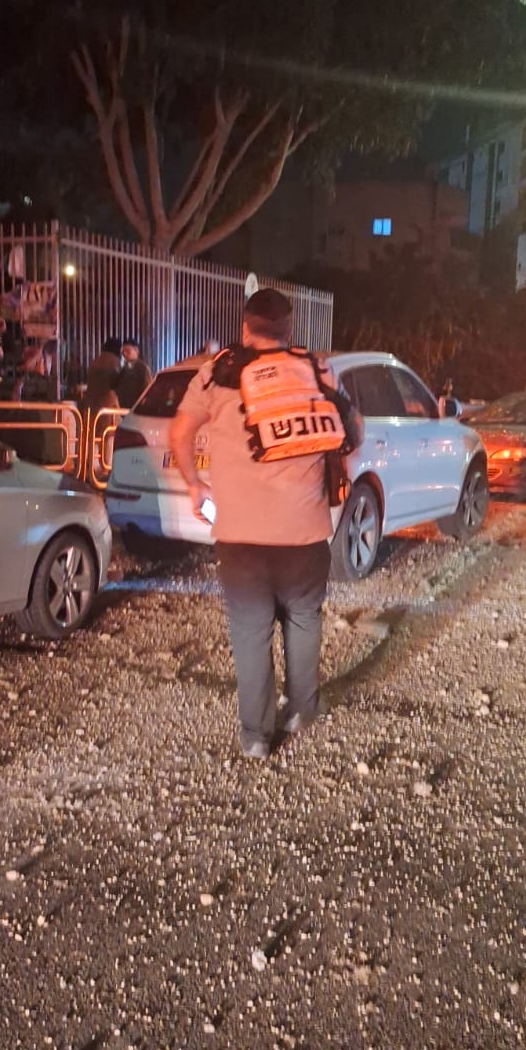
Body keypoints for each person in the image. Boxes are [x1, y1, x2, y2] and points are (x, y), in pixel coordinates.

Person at [170, 287, 362, 759]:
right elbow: (352, 430)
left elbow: (180, 432)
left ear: (245, 328)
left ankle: (256, 737)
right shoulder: (316, 369)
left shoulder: (217, 373)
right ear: (289, 330)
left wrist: (195, 485)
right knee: (304, 619)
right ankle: (301, 711)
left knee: (250, 632)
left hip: (241, 537)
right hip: (305, 531)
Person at [82, 336, 123, 410]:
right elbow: (118, 384)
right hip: (108, 407)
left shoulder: (95, 361)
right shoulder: (115, 362)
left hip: (90, 405)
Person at [115, 339, 153, 409]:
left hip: (136, 407)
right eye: (123, 352)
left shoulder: (142, 368)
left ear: (136, 350)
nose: (124, 354)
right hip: (123, 407)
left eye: (128, 351)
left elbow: (148, 388)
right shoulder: (123, 368)